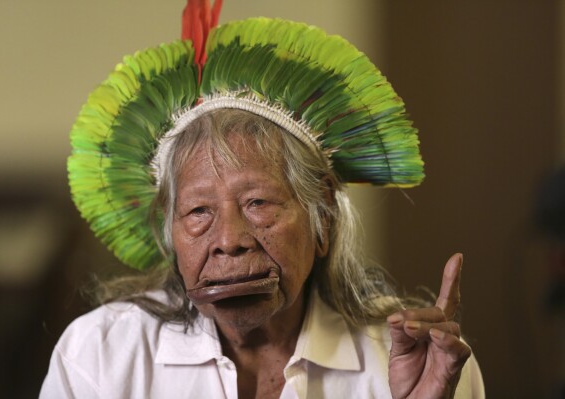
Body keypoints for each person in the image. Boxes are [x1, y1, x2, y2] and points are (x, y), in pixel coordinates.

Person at [41, 1, 484, 397]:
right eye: (198, 211)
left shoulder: (418, 363)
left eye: (258, 204)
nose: (230, 240)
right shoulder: (100, 357)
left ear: (323, 216)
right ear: (169, 231)